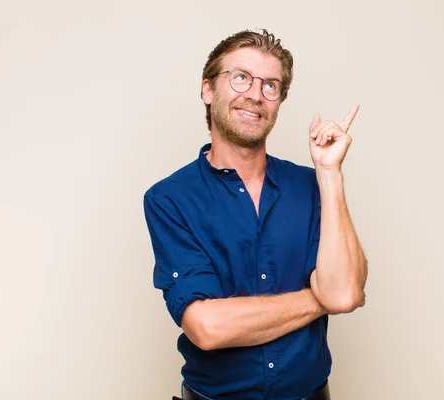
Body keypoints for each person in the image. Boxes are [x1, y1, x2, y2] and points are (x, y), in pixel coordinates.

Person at [144, 29, 368, 400]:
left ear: (279, 101)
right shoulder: (170, 199)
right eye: (241, 78)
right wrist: (319, 299)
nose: (254, 94)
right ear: (207, 89)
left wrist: (329, 173)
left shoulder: (311, 185)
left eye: (270, 85)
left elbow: (344, 292)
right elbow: (207, 328)